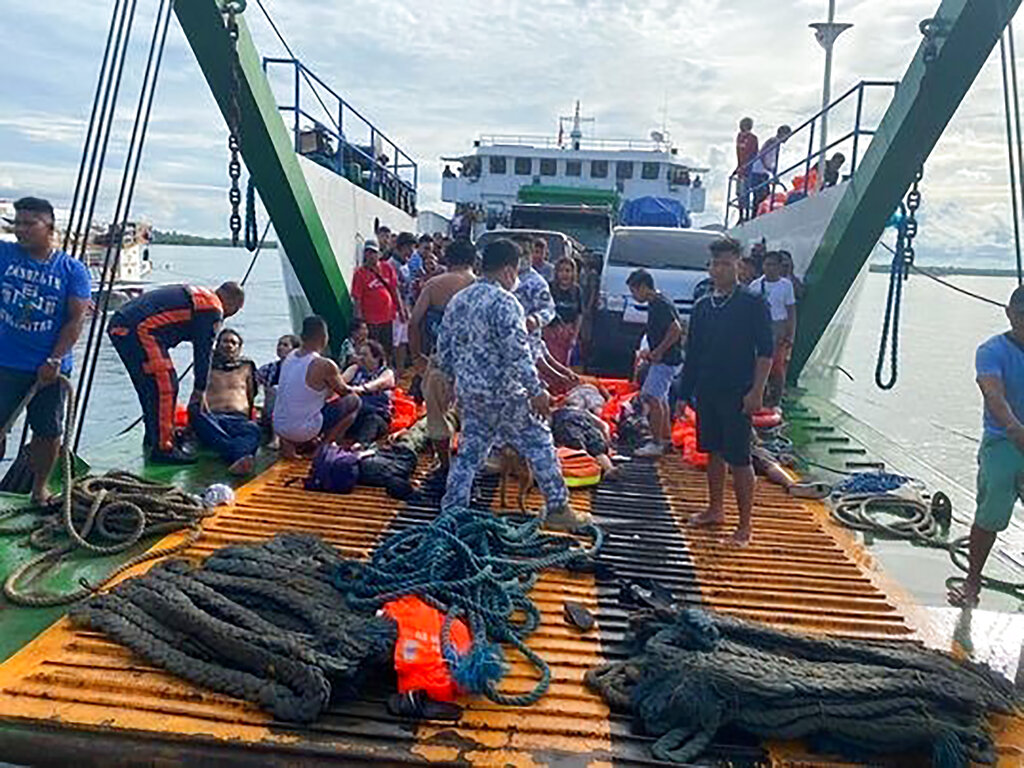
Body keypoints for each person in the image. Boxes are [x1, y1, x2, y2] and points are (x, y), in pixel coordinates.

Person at [436, 239, 588, 531]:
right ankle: (558, 508)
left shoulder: (460, 300)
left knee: (469, 454)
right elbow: (517, 353)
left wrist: (448, 379)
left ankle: (452, 511)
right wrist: (537, 392)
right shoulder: (506, 303)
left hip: (472, 394)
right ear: (508, 271)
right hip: (508, 396)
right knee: (540, 442)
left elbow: (444, 348)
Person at [681, 237, 773, 547]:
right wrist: (684, 393)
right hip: (707, 390)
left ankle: (745, 526)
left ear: (739, 265)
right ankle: (715, 509)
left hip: (738, 392)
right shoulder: (703, 306)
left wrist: (757, 391)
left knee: (739, 458)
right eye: (715, 264)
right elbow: (692, 353)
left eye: (726, 264)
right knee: (713, 452)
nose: (719, 269)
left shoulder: (752, 303)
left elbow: (766, 351)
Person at [0, 196, 91, 503]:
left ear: (49, 228)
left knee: (47, 431)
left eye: (29, 223)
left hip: (49, 367)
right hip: (6, 362)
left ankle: (39, 488)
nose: (20, 230)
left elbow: (75, 319)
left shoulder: (72, 270)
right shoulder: (5, 255)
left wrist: (54, 359)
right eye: (17, 223)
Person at [108, 281, 245, 463]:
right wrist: (200, 390)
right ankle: (164, 447)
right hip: (141, 330)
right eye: (234, 311)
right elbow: (203, 351)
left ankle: (153, 437)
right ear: (233, 303)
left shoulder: (199, 295)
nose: (227, 317)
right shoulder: (212, 307)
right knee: (166, 386)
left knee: (149, 385)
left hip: (123, 326)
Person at [949, 287, 1024, 607]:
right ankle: (972, 581)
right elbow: (993, 394)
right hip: (1003, 440)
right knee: (991, 514)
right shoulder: (991, 350)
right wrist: (1014, 429)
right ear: (1009, 313)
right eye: (1022, 315)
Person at [409, 238, 477, 470]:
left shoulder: (434, 284)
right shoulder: (480, 287)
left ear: (448, 260)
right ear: (473, 260)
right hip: (474, 364)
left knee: (436, 415)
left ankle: (444, 463)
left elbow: (414, 322)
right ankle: (467, 466)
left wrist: (417, 356)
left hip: (440, 359)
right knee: (472, 419)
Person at [273, 315, 359, 458]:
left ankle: (287, 444)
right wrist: (359, 384)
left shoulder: (290, 356)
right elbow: (344, 391)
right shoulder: (324, 364)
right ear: (324, 337)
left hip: (279, 426)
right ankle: (323, 447)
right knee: (354, 402)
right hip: (302, 430)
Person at [626, 269, 683, 457]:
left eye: (634, 291)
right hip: (666, 359)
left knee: (651, 397)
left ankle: (656, 442)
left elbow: (675, 329)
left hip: (665, 360)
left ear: (643, 287)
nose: (634, 296)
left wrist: (659, 351)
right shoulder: (658, 302)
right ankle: (665, 438)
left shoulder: (659, 304)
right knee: (662, 399)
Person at [189, 328, 261, 475]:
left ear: (239, 347)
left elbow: (251, 394)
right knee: (195, 412)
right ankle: (237, 456)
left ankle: (231, 452)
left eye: (233, 342)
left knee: (254, 431)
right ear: (217, 344)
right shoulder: (205, 366)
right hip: (212, 419)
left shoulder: (247, 367)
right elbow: (197, 393)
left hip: (239, 420)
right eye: (225, 341)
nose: (229, 345)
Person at [750, 251, 797, 406]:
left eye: (773, 265)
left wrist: (790, 334)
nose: (769, 268)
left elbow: (790, 311)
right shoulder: (755, 285)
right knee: (758, 363)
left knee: (777, 365)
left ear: (779, 267)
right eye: (767, 264)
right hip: (759, 326)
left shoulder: (786, 285)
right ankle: (760, 396)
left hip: (778, 325)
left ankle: (776, 400)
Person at [351, 238, 401, 356]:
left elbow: (395, 289)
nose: (371, 255)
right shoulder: (360, 273)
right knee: (373, 349)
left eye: (374, 252)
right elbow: (357, 298)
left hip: (387, 317)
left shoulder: (387, 268)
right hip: (371, 320)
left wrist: (401, 309)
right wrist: (359, 320)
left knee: (388, 348)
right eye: (368, 252)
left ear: (379, 254)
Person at [340, 340, 396, 445]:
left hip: (377, 415)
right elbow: (340, 382)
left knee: (372, 420)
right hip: (354, 414)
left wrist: (361, 389)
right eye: (359, 354)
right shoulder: (355, 369)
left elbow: (379, 384)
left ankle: (360, 446)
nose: (361, 358)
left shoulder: (386, 373)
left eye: (365, 355)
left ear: (377, 357)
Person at [256, 333, 301, 436]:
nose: (280, 347)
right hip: (271, 411)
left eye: (285, 345)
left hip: (293, 414)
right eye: (279, 344)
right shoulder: (268, 369)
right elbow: (253, 384)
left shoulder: (301, 370)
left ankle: (276, 439)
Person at [544, 256, 583, 367]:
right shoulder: (550, 288)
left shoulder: (577, 290)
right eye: (561, 270)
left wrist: (574, 336)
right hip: (551, 334)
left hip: (568, 334)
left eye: (568, 271)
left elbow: (580, 314)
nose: (564, 274)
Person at [749, 125, 792, 214]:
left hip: (763, 173)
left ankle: (758, 214)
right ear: (782, 134)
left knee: (765, 196)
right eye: (787, 135)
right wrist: (768, 168)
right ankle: (755, 215)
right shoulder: (773, 141)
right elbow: (763, 154)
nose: (788, 138)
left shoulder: (776, 143)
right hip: (758, 172)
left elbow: (773, 160)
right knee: (760, 197)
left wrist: (773, 173)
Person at [735, 117, 759, 222]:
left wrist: (747, 167)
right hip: (740, 170)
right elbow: (739, 154)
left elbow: (754, 154)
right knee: (739, 193)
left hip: (748, 170)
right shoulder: (739, 137)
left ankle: (747, 215)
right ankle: (741, 216)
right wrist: (738, 167)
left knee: (746, 193)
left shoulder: (753, 138)